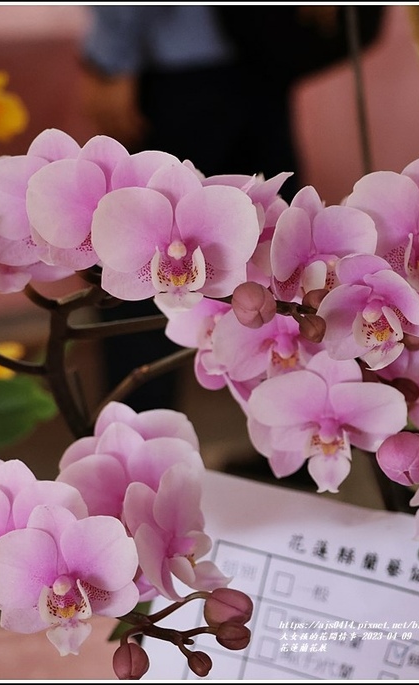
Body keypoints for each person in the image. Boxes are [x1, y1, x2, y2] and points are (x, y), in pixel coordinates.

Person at [79, 6, 385, 411]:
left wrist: (110, 61)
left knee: (144, 280)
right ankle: (305, 417)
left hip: (183, 73)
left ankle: (136, 428)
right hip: (263, 52)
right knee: (282, 257)